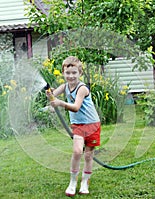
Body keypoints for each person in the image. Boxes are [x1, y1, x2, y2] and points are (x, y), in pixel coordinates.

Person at [46, 56, 101, 197]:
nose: (71, 76)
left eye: (74, 73)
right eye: (68, 73)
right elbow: (53, 96)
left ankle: (84, 183)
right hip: (78, 125)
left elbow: (76, 107)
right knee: (77, 151)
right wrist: (50, 95)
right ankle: (72, 183)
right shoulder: (64, 87)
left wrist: (60, 103)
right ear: (63, 73)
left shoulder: (82, 88)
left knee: (88, 156)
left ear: (80, 73)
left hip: (92, 124)